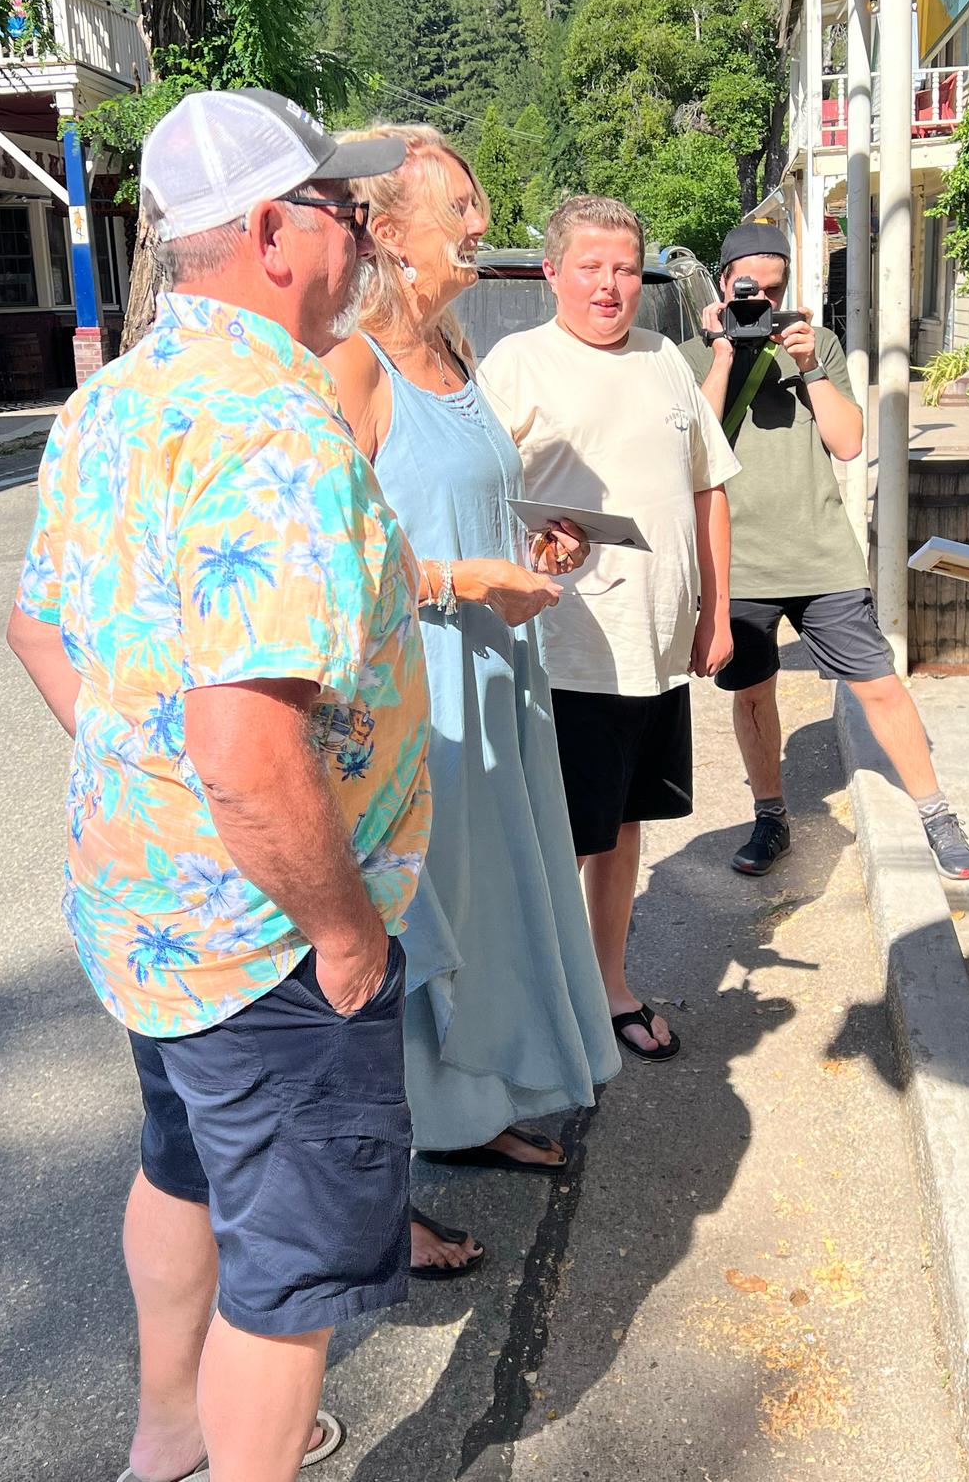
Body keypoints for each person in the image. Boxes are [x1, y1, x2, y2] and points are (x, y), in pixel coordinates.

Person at [5, 90, 430, 1482]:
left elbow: (39, 626)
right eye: (344, 210)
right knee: (288, 1272)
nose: (362, 237)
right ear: (270, 231)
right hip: (268, 936)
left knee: (185, 1164)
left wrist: (144, 777)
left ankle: (170, 1434)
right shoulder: (279, 430)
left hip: (151, 916)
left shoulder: (113, 403)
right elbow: (249, 748)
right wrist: (347, 929)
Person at [324, 126, 620, 1274]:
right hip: (418, 700)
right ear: (386, 232)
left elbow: (460, 502)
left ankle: (463, 1109)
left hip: (495, 677)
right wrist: (464, 578)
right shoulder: (353, 369)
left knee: (487, 906)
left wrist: (525, 540)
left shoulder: (450, 345)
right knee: (410, 930)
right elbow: (325, 565)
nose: (482, 222)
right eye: (459, 205)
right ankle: (376, 1195)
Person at [478, 196, 738, 1062]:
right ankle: (542, 1009)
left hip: (655, 647)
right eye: (590, 266)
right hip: (564, 650)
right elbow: (475, 500)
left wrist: (715, 613)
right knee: (557, 835)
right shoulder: (517, 365)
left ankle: (608, 983)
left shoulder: (666, 358)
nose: (610, 285)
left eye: (625, 268)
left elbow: (709, 490)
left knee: (625, 826)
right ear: (550, 271)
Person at [677, 220, 969, 880]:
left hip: (820, 553)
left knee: (879, 685)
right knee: (753, 693)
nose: (760, 302)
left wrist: (810, 364)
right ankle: (771, 815)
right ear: (722, 283)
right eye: (747, 289)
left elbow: (847, 442)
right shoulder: (693, 354)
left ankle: (936, 813)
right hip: (740, 561)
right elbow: (689, 450)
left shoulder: (820, 345)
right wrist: (725, 352)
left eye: (775, 290)